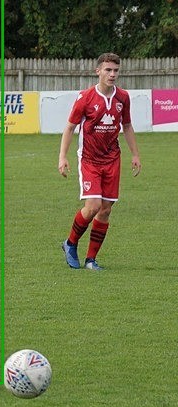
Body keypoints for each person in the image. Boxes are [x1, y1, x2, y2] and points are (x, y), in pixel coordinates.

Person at [58, 52, 142, 270]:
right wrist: (62, 157)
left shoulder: (123, 97)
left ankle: (91, 259)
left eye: (115, 70)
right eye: (108, 70)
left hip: (112, 159)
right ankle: (70, 243)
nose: (112, 74)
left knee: (105, 209)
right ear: (98, 71)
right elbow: (70, 127)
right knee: (93, 206)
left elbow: (127, 126)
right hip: (89, 159)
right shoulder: (85, 97)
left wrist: (135, 154)